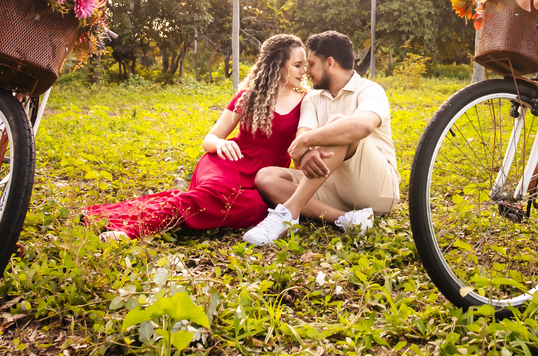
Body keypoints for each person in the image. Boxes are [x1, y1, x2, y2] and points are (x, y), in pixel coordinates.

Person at [83, 34, 307, 239]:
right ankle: (133, 230)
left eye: (305, 65)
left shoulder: (307, 101)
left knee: (254, 209)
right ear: (278, 64)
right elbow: (209, 139)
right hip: (229, 163)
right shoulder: (249, 96)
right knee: (216, 194)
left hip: (266, 175)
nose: (304, 71)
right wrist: (219, 143)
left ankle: (136, 212)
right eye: (298, 65)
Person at [243, 31, 399, 245]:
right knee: (266, 177)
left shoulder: (370, 90)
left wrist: (307, 143)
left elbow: (362, 126)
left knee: (339, 122)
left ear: (330, 63)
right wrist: (305, 148)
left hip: (377, 190)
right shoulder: (312, 99)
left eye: (312, 63)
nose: (306, 71)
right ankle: (345, 219)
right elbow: (301, 140)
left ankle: (289, 213)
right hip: (331, 184)